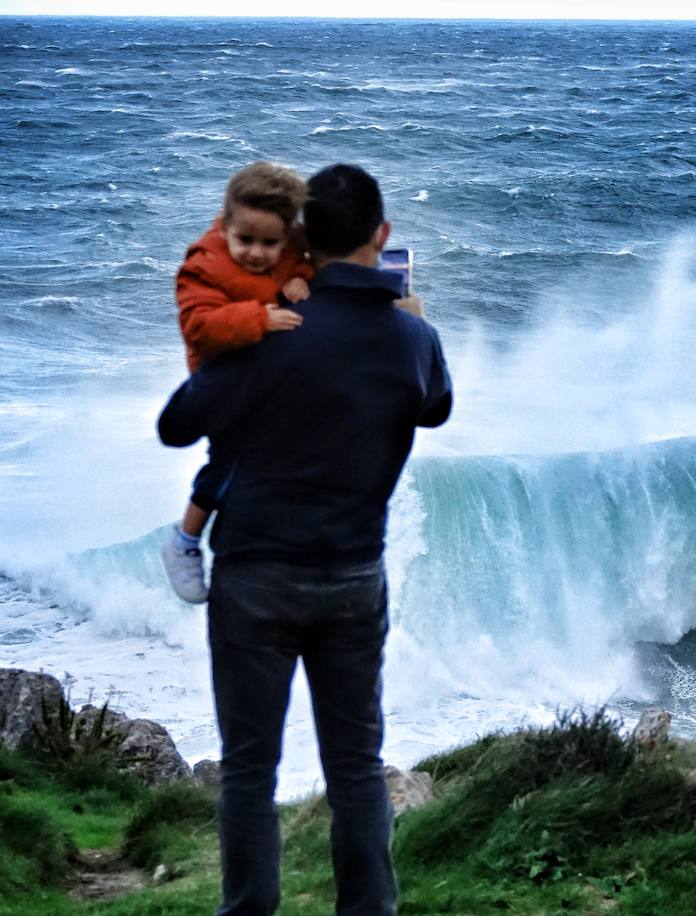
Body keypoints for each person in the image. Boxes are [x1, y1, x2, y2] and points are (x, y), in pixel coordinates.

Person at [158, 163, 452, 916]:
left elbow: (175, 426)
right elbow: (437, 407)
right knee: (356, 766)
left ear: (300, 241)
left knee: (249, 771)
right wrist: (409, 316)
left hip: (256, 576)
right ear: (381, 237)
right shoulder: (412, 340)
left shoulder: (269, 333)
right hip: (353, 577)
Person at [161, 160, 314, 604]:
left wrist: (302, 276)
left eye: (270, 243)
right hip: (223, 378)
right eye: (245, 240)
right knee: (226, 461)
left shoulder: (288, 250)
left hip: (269, 377)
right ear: (226, 224)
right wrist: (259, 318)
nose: (256, 252)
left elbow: (301, 265)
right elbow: (199, 326)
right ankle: (184, 541)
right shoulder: (204, 265)